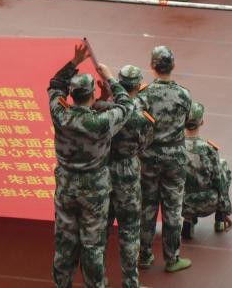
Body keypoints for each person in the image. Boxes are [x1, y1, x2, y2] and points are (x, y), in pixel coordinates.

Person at [48, 41, 133, 288]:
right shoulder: (101, 122)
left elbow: (55, 85)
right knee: (93, 245)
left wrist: (74, 62)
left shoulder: (60, 114)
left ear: (72, 95)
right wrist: (110, 79)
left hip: (66, 184)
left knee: (65, 241)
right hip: (94, 187)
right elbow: (126, 105)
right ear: (93, 95)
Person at [138, 45, 193, 275]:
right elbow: (188, 119)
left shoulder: (144, 94)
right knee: (173, 209)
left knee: (147, 206)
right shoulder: (184, 94)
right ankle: (172, 259)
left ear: (152, 66)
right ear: (173, 66)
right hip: (174, 158)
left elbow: (138, 122)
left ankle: (144, 255)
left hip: (149, 157)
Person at [102, 65, 155, 288]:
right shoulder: (141, 118)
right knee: (129, 230)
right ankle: (130, 283)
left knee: (100, 230)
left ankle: (97, 280)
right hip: (128, 173)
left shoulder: (103, 109)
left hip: (103, 172)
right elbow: (146, 144)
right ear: (137, 87)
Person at [181, 102, 232, 240]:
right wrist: (226, 208)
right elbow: (219, 180)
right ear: (202, 122)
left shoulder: (175, 148)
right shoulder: (209, 150)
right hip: (209, 203)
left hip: (183, 205)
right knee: (224, 167)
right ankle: (220, 219)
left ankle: (187, 221)